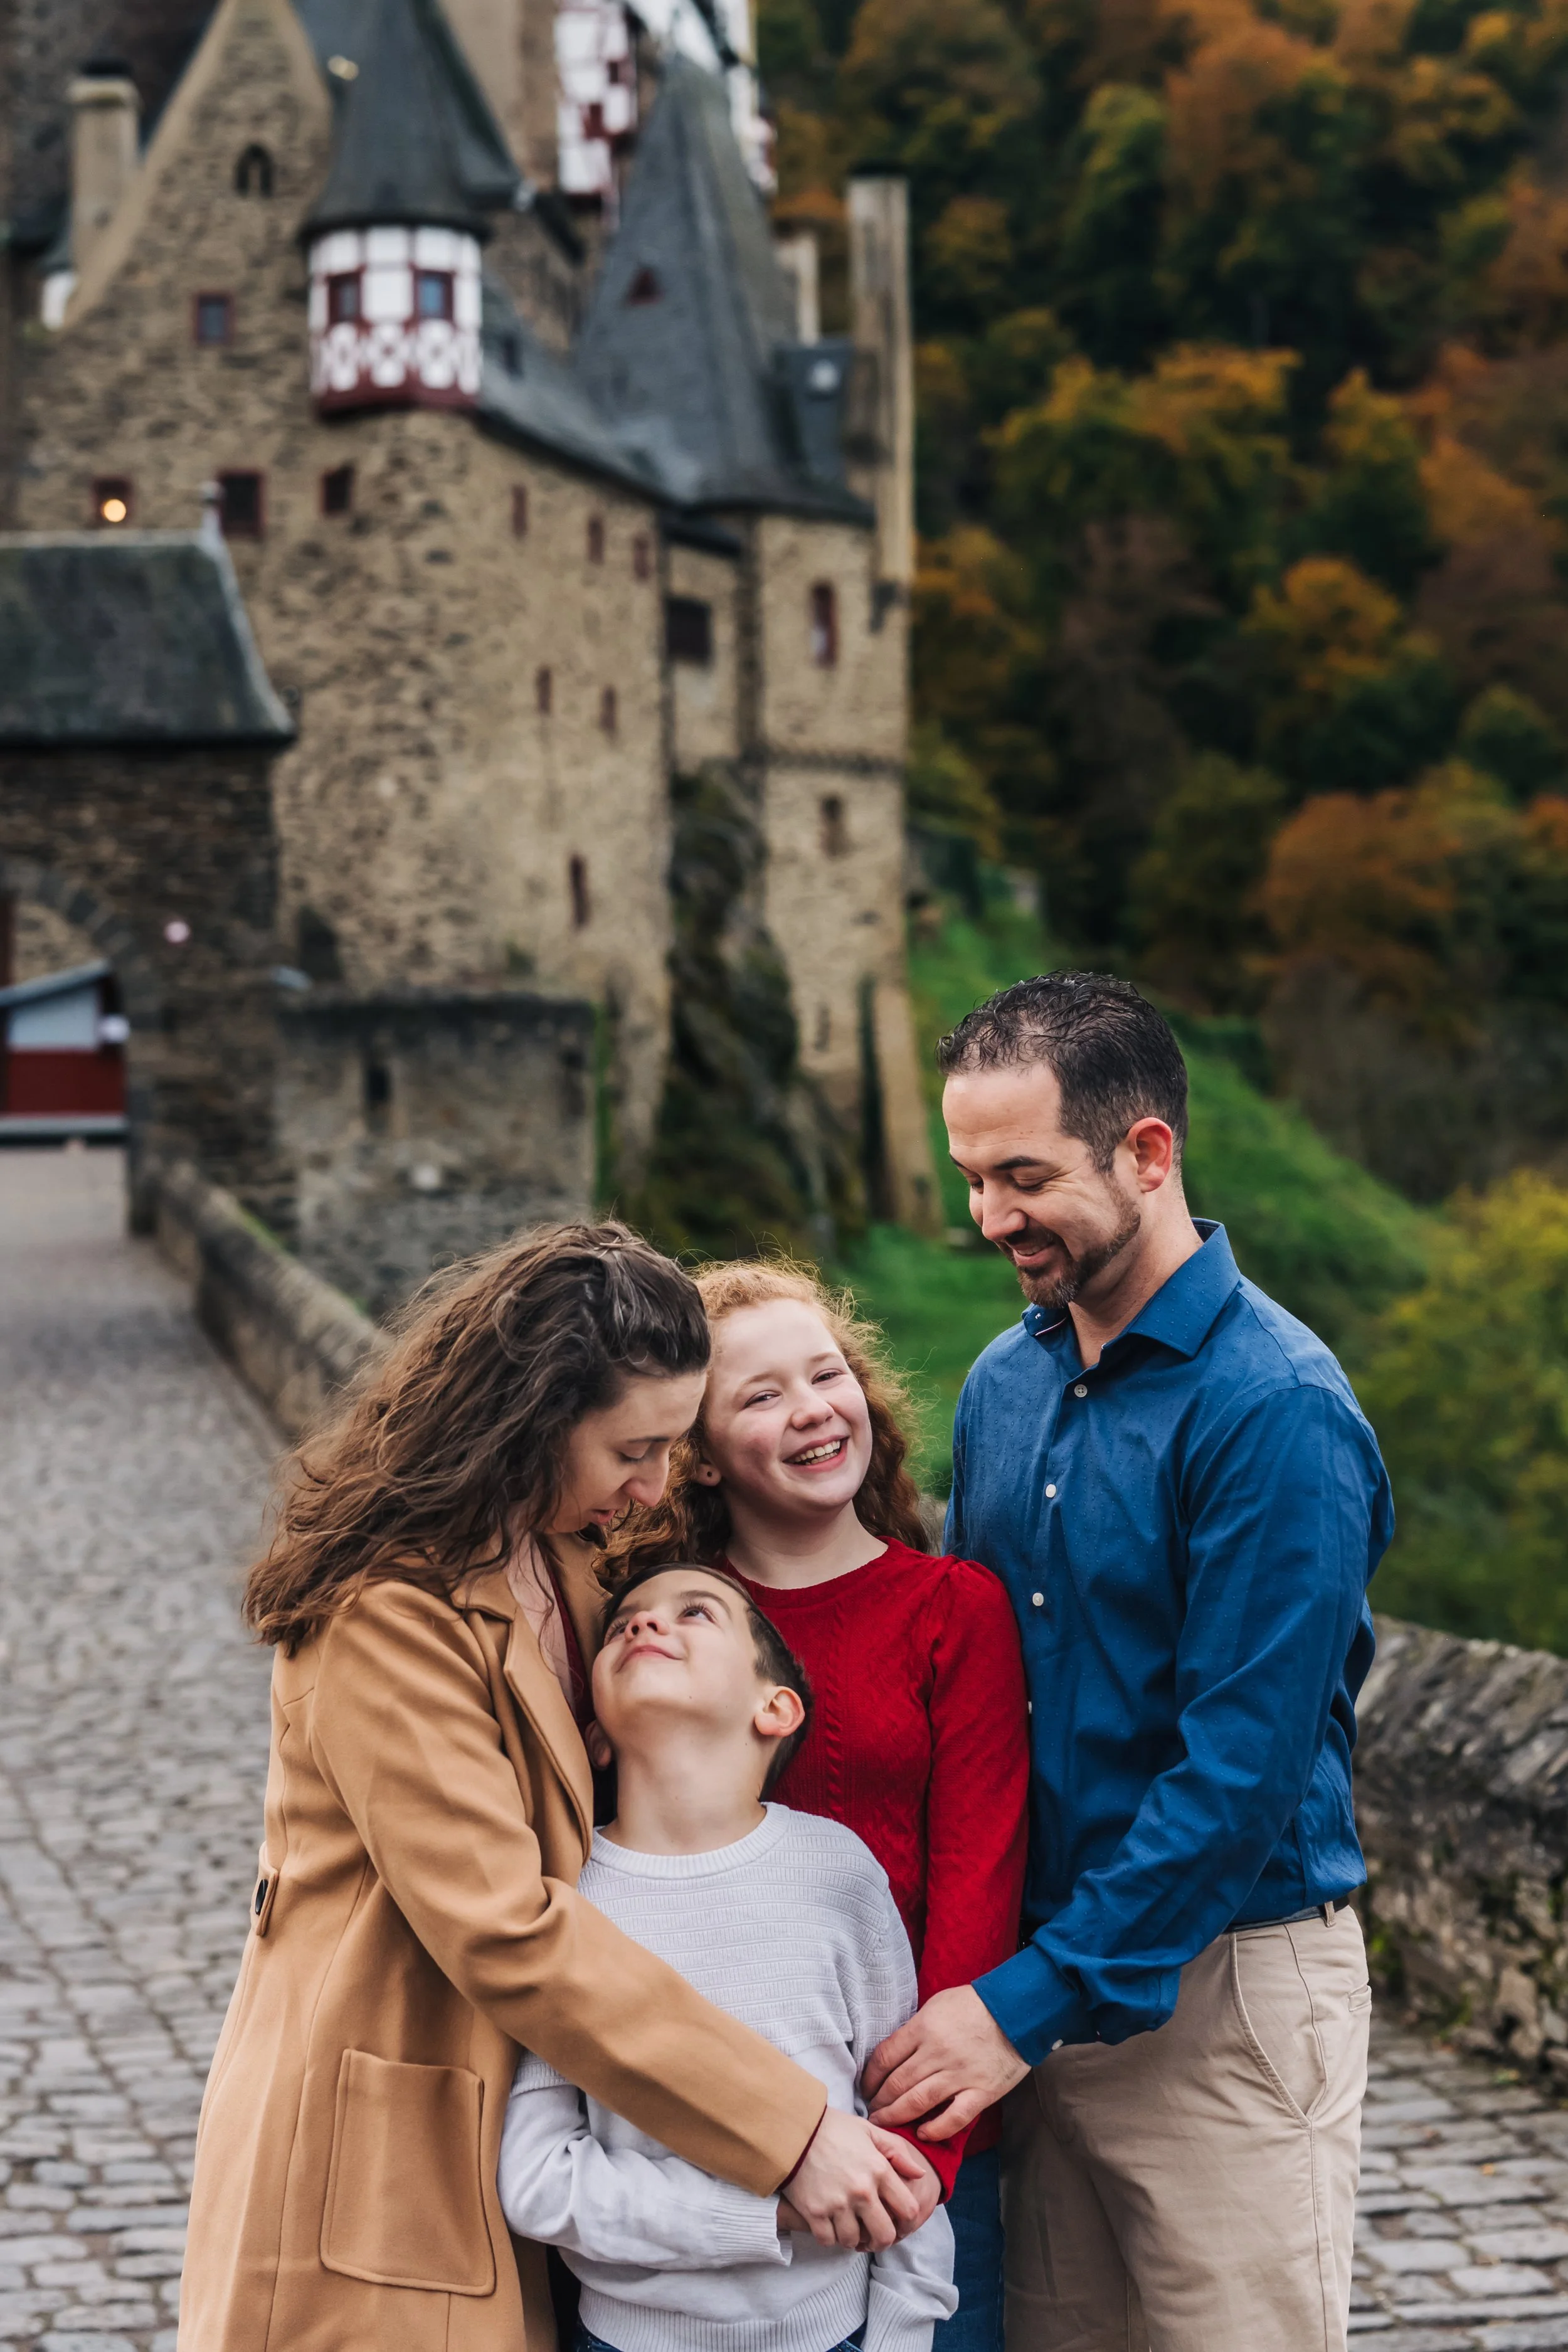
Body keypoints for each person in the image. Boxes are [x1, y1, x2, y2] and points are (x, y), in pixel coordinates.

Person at [177, 1224, 939, 2352]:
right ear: (531, 1424)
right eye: (634, 1451)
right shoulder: (386, 1614)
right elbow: (506, 1927)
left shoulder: (572, 1563)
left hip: (537, 2135)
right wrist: (787, 2130)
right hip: (388, 2137)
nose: (649, 1488)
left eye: (673, 1452)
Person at [865, 973, 1393, 2352]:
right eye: (970, 1176)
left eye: (1022, 1176)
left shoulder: (1274, 1410)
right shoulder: (1000, 1385)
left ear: (1145, 1153)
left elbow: (1237, 1780)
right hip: (1032, 2005)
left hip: (1219, 2005)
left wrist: (1015, 2007)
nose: (987, 1218)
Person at [605, 1263, 1028, 2352]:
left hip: (913, 2134)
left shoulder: (952, 1609)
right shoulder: (663, 1630)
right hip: (695, 2135)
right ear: (694, 1454)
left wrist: (920, 2167)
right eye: (759, 1396)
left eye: (826, 1374)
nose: (811, 1410)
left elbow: (980, 1878)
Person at [498, 1562, 959, 2352]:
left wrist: (901, 2334)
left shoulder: (837, 1872)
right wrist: (768, 2209)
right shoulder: (565, 1900)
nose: (644, 1625)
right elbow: (538, 2180)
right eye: (622, 1624)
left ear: (774, 1708)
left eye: (695, 1614)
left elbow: (899, 2135)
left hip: (838, 2335)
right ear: (596, 1738)